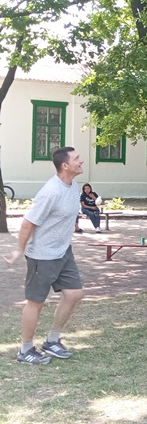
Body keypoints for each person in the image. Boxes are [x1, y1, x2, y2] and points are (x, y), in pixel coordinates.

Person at [4, 147, 85, 364]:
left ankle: (52, 340)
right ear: (65, 166)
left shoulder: (73, 185)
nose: (82, 161)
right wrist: (19, 250)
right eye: (77, 158)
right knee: (36, 302)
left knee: (74, 294)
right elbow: (27, 223)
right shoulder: (51, 192)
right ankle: (25, 350)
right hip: (42, 255)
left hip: (63, 251)